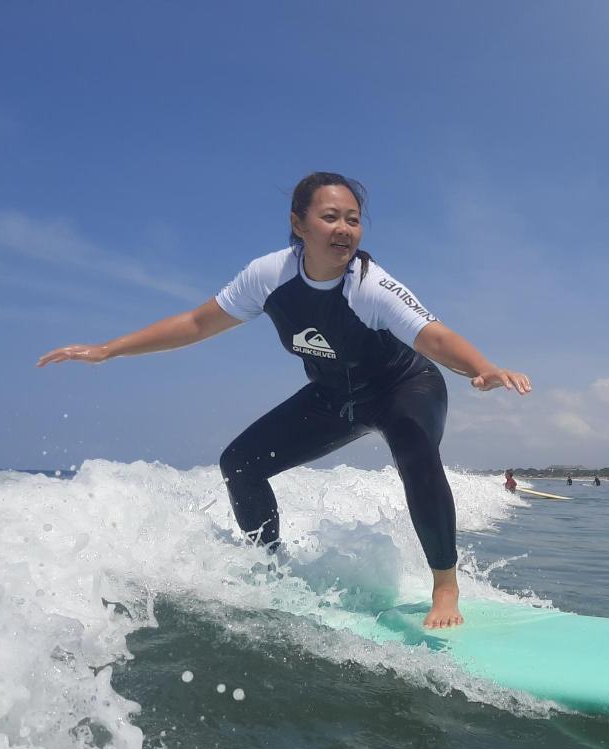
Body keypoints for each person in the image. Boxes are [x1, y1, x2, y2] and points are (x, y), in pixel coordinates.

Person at [37, 171, 531, 629]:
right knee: (240, 463)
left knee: (413, 446)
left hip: (404, 385)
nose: (344, 229)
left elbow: (434, 338)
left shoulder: (370, 287)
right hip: (335, 396)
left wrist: (482, 368)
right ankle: (272, 572)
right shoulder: (268, 277)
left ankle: (445, 587)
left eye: (353, 220)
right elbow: (195, 323)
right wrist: (110, 349)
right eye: (330, 217)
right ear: (298, 223)